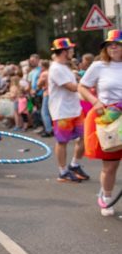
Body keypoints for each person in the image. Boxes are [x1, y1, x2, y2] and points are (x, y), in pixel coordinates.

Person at [79, 30, 122, 216]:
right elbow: (82, 86)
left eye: (117, 44)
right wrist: (94, 101)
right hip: (110, 117)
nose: (113, 47)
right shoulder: (99, 66)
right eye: (109, 44)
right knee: (111, 164)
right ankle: (106, 196)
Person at [48, 38, 89, 183]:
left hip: (75, 109)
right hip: (61, 111)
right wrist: (87, 84)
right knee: (62, 142)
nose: (72, 51)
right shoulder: (55, 69)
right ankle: (63, 171)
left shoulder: (64, 66)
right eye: (70, 49)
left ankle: (74, 164)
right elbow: (72, 87)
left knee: (85, 136)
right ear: (64, 52)